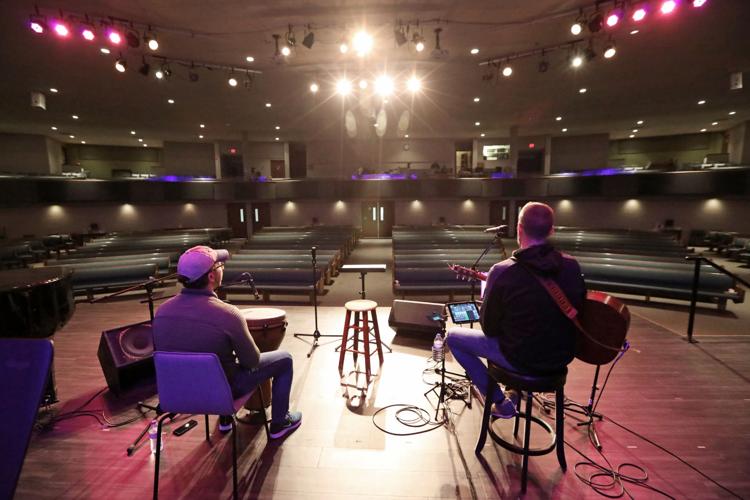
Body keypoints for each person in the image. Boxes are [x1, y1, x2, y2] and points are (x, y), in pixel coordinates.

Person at [446, 202, 586, 417]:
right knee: (524, 333)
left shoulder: (502, 271)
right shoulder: (572, 265)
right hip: (560, 358)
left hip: (520, 358)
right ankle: (515, 390)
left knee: (453, 337)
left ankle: (502, 404)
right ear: (551, 231)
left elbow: (489, 329)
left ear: (519, 229)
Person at [152, 245, 302, 439]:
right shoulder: (228, 314)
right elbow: (252, 362)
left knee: (217, 361)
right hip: (220, 394)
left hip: (177, 395)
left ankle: (224, 421)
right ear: (211, 276)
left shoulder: (161, 312)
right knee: (284, 359)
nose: (223, 267)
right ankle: (280, 423)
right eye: (220, 265)